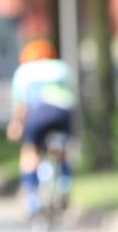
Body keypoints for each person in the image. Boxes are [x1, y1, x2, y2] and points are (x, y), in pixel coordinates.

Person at [6, 38, 75, 217]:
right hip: (63, 112)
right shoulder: (62, 67)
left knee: (30, 152)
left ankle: (32, 197)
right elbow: (72, 96)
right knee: (62, 149)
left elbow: (20, 108)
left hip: (38, 113)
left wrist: (16, 126)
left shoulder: (24, 72)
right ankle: (64, 184)